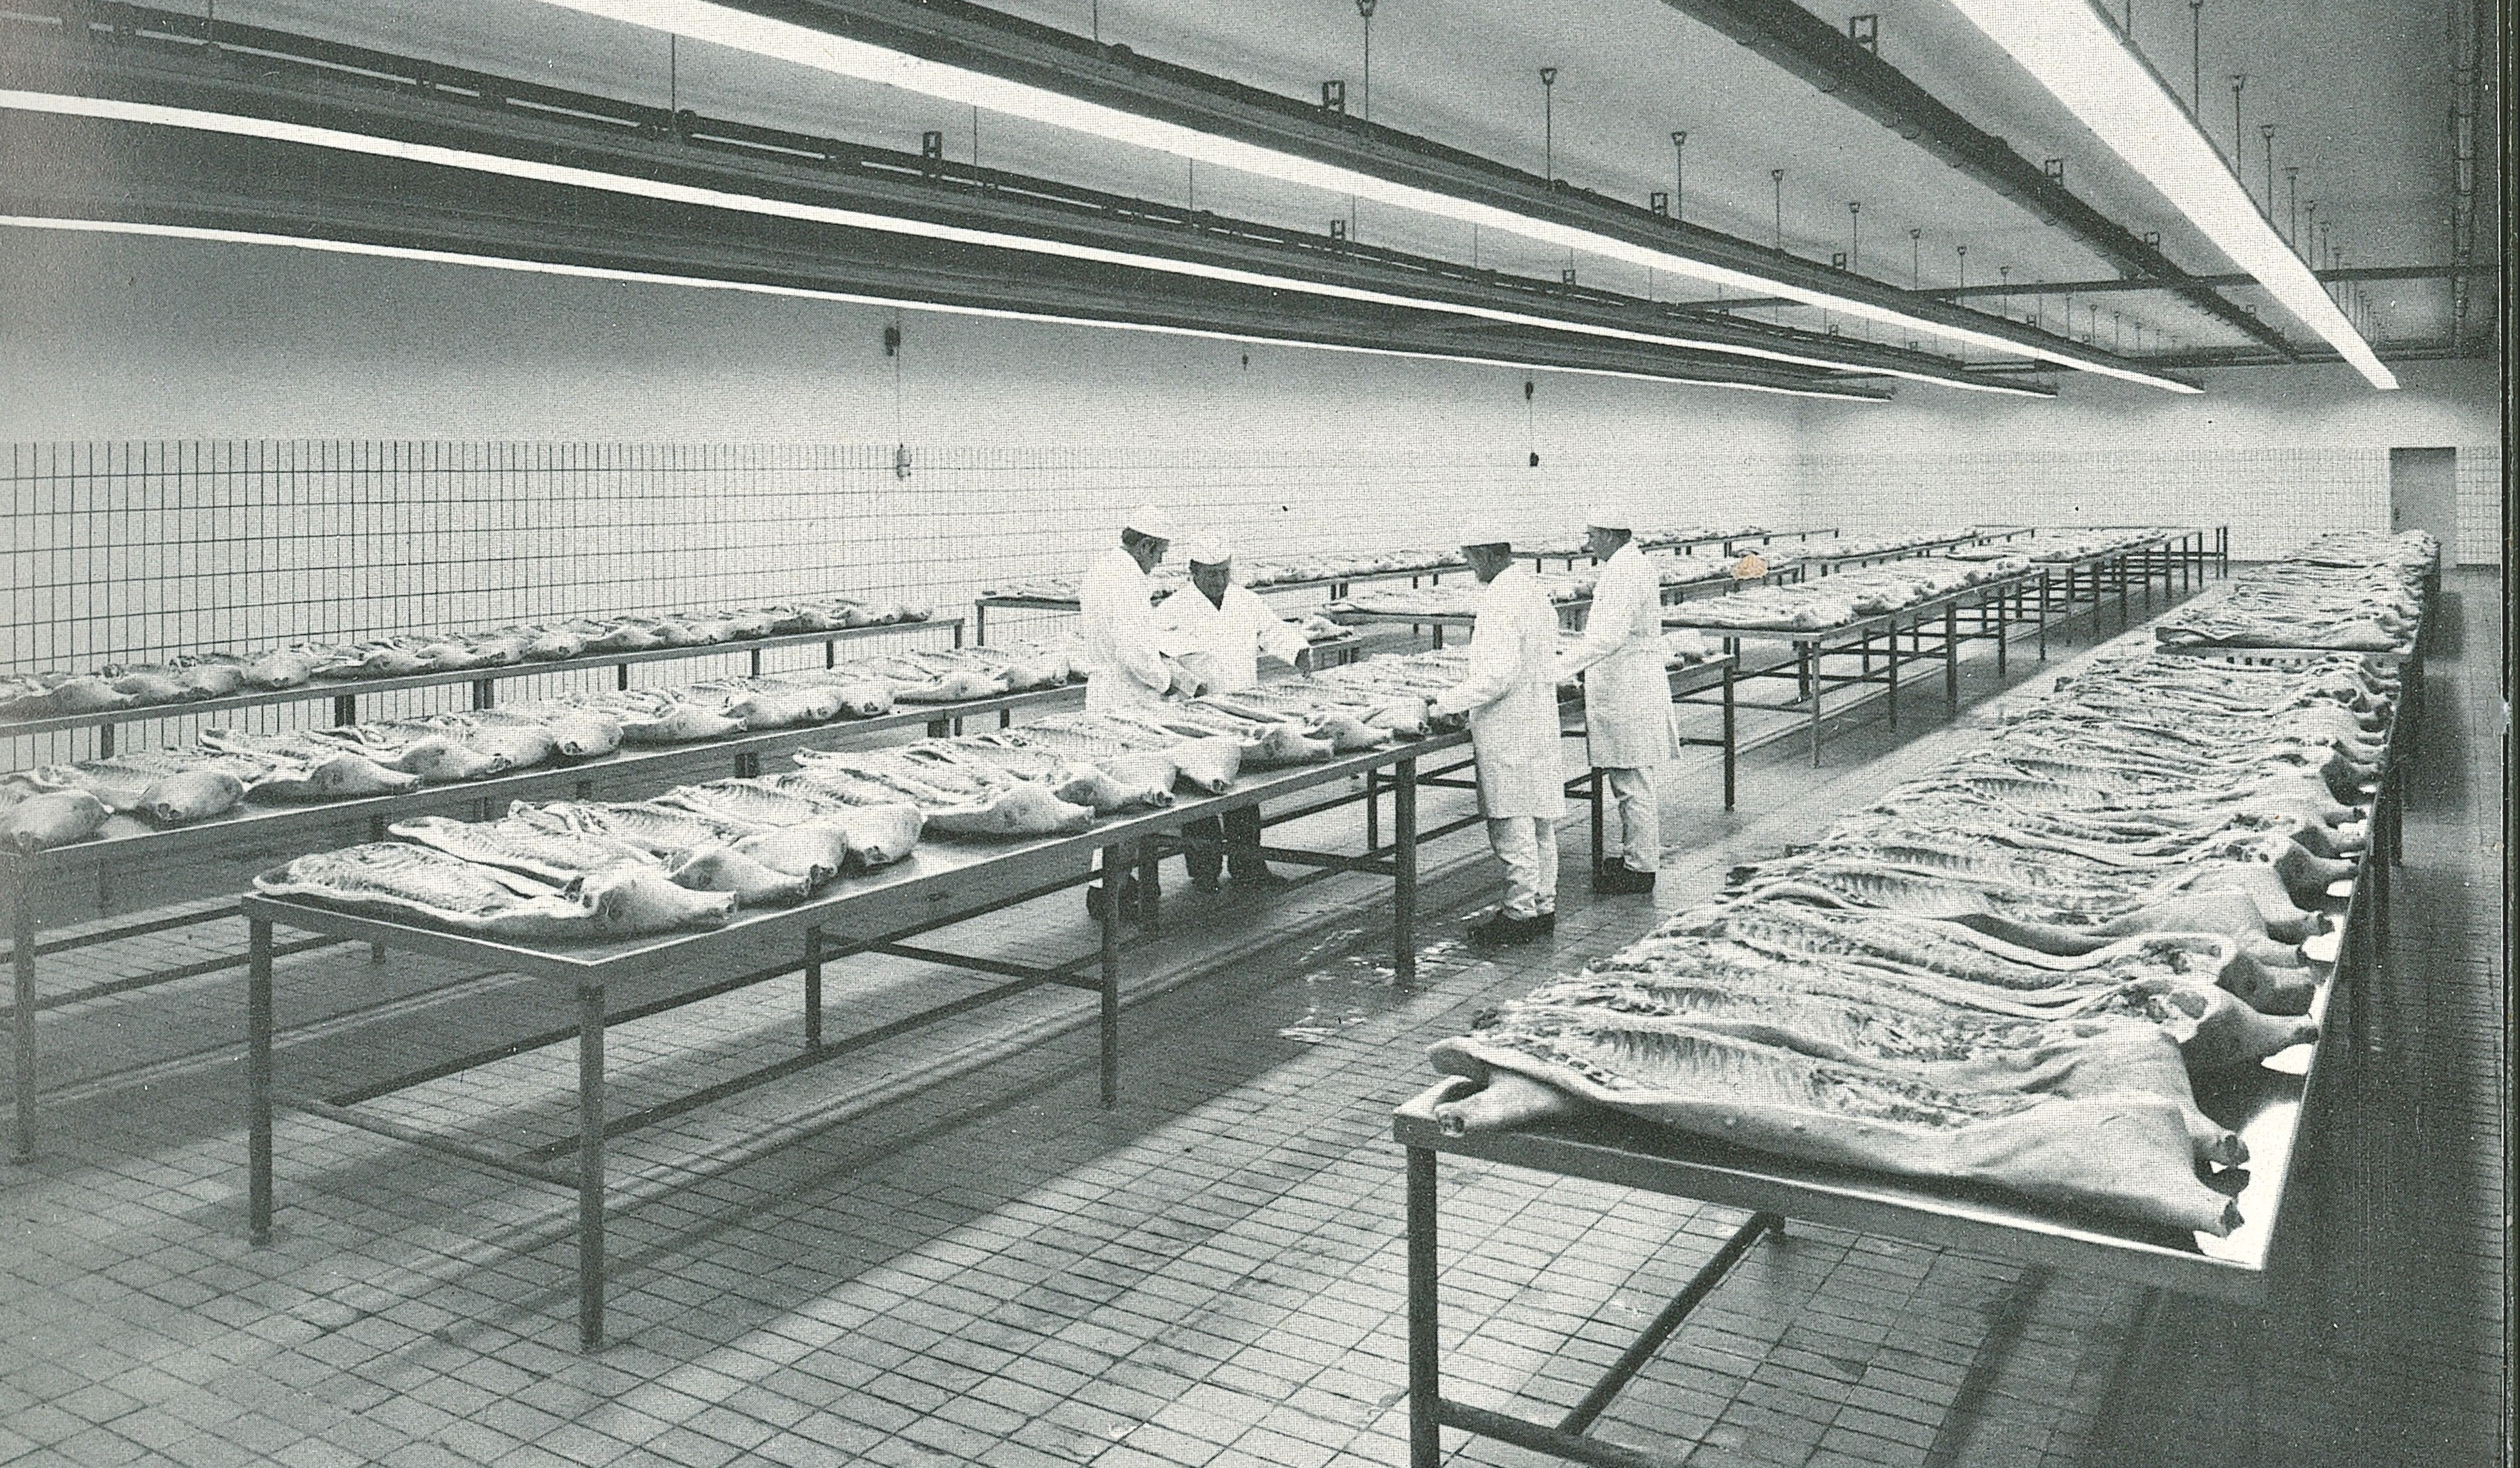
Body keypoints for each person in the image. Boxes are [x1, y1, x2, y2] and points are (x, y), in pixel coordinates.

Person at [1428, 520, 1564, 947]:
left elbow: (1495, 677)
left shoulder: (1500, 600)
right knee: (1538, 820)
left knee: (1511, 823)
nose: (1470, 567)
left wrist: (1444, 703)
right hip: (1535, 716)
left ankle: (1519, 913)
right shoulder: (1531, 590)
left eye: (1470, 558)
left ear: (1486, 554)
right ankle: (1542, 905)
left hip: (1508, 725)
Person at [1154, 538, 1312, 890]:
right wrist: (1191, 685)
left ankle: (1248, 867)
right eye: (1211, 574)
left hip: (1241, 711)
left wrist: (1298, 651)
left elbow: (1273, 630)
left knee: (1244, 792)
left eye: (1225, 573)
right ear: (1193, 572)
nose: (1219, 581)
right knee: (1201, 790)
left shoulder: (1244, 600)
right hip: (1195, 714)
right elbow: (1159, 659)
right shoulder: (1171, 609)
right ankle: (1204, 871)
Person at [1555, 500, 1682, 895]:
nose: (1588, 543)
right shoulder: (1629, 565)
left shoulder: (1623, 572)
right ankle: (1636, 857)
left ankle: (1640, 870)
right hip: (1630, 682)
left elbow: (1605, 638)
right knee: (1632, 779)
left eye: (1593, 536)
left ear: (1611, 536)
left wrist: (1556, 670)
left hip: (1627, 688)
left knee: (1631, 782)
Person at [1078, 504, 1198, 918]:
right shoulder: (1127, 580)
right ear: (1144, 546)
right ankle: (1111, 894)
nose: (1159, 561)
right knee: (1131, 796)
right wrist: (1169, 681)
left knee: (1115, 795)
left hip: (1108, 693)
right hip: (1126, 699)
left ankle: (1111, 886)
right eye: (1159, 552)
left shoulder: (1102, 569)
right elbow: (1135, 653)